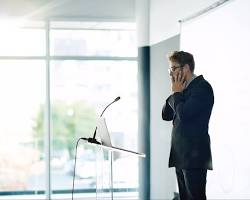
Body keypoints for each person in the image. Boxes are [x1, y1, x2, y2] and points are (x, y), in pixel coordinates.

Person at [162, 51, 214, 200]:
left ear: (185, 68)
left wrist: (177, 93)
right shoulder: (183, 88)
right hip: (181, 155)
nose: (170, 73)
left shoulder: (202, 88)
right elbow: (165, 115)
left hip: (194, 156)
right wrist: (175, 91)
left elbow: (184, 115)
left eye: (173, 68)